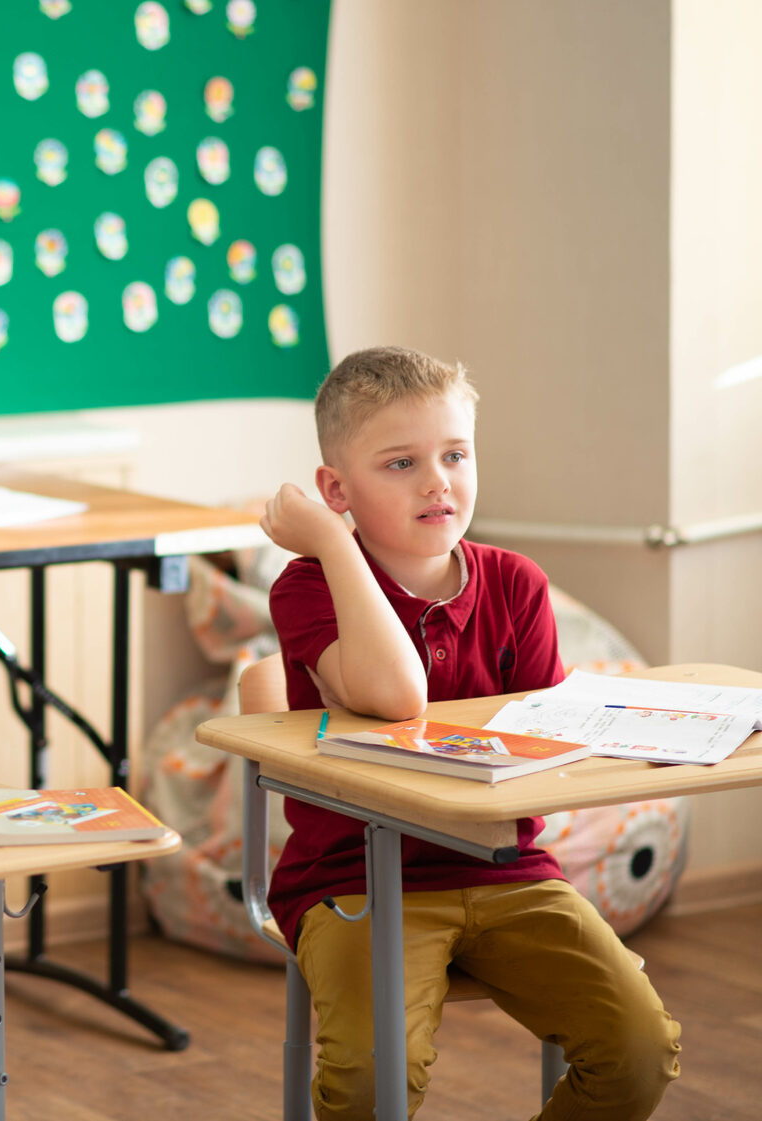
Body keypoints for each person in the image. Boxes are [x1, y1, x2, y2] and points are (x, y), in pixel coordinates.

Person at [258, 346, 679, 1120]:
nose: (437, 481)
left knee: (640, 1048)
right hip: (355, 881)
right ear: (335, 490)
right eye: (400, 463)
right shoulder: (308, 585)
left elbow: (550, 743)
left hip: (505, 869)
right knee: (366, 1087)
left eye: (455, 453)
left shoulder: (516, 582)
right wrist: (329, 540)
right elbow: (396, 694)